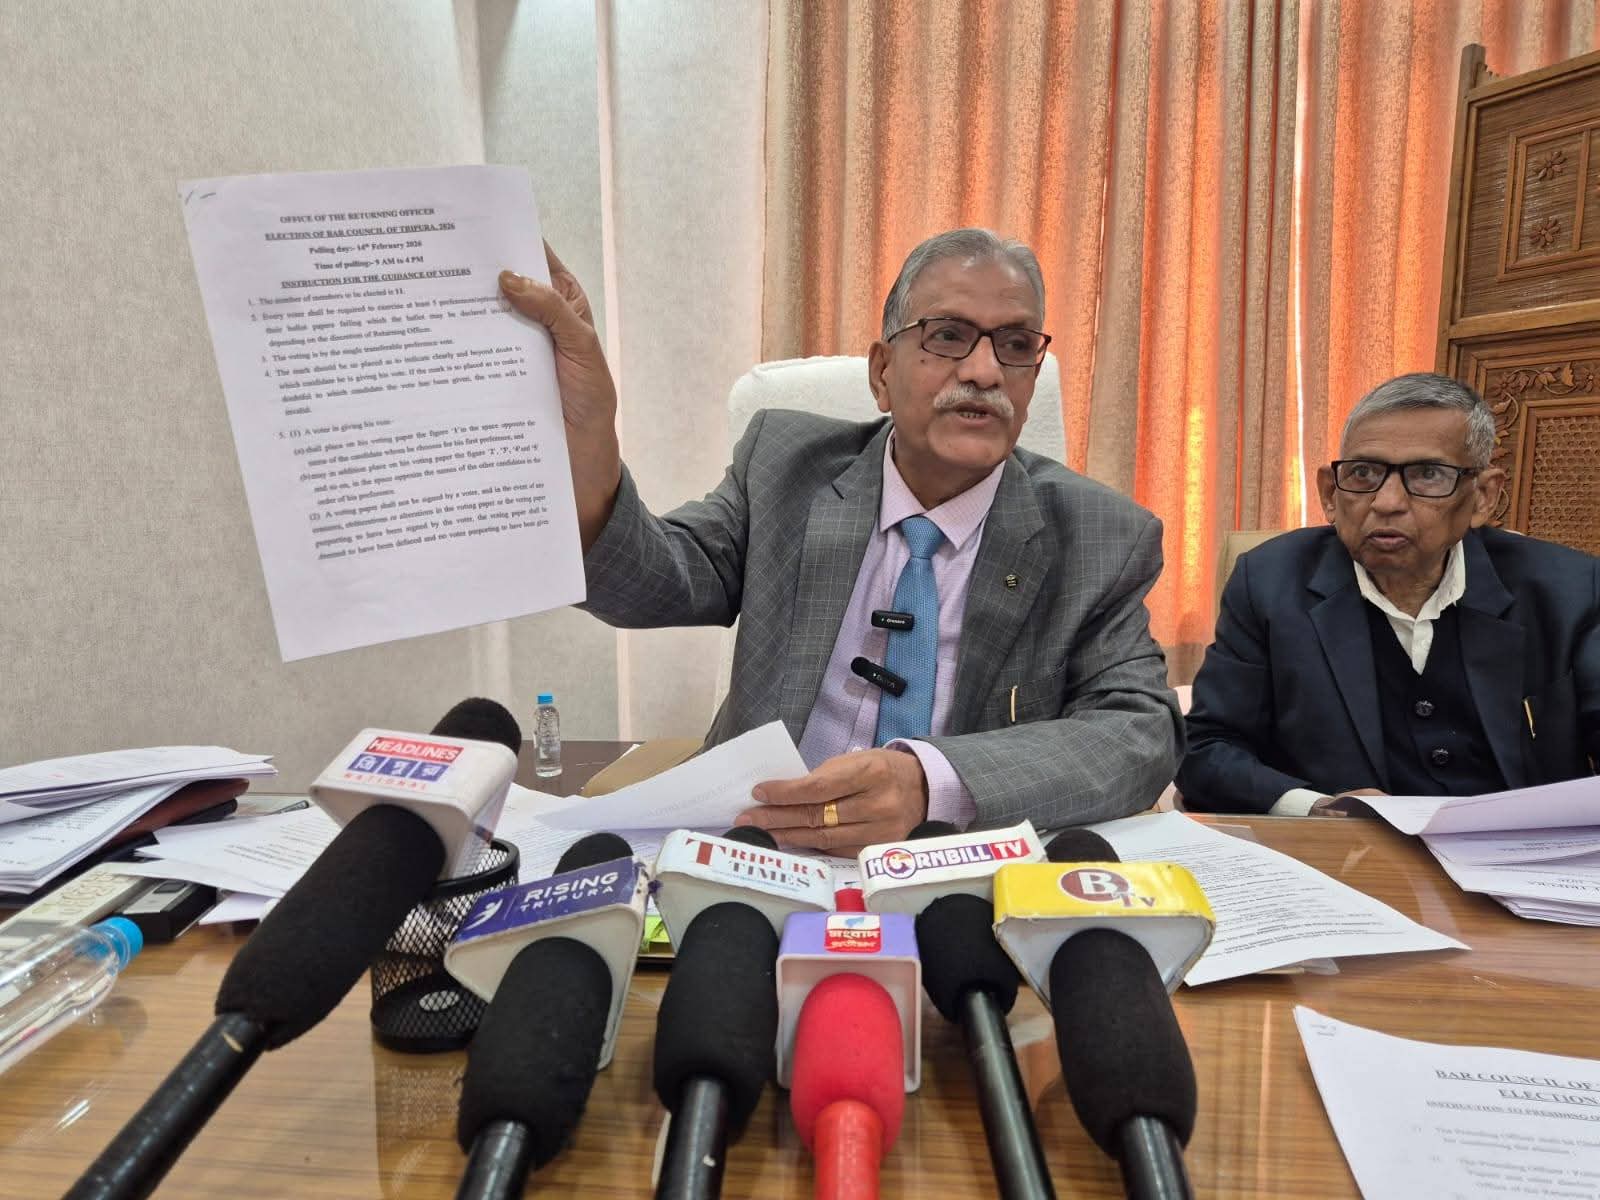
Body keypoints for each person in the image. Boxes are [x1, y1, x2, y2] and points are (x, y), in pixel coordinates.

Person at [499, 229, 1181, 853]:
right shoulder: (785, 468)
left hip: (951, 875)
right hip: (759, 851)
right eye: (948, 335)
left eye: (1016, 345)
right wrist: (588, 436)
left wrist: (931, 782)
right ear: (882, 372)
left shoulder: (1099, 536)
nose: (984, 371)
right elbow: (649, 581)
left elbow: (1140, 734)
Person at [1178, 372, 1600, 816]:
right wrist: (1318, 807)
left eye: (1428, 474)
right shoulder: (1268, 582)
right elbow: (1206, 748)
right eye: (1363, 473)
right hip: (1345, 849)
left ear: (1482, 497)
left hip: (1518, 846)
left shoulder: (1569, 590)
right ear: (1330, 493)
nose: (1387, 502)